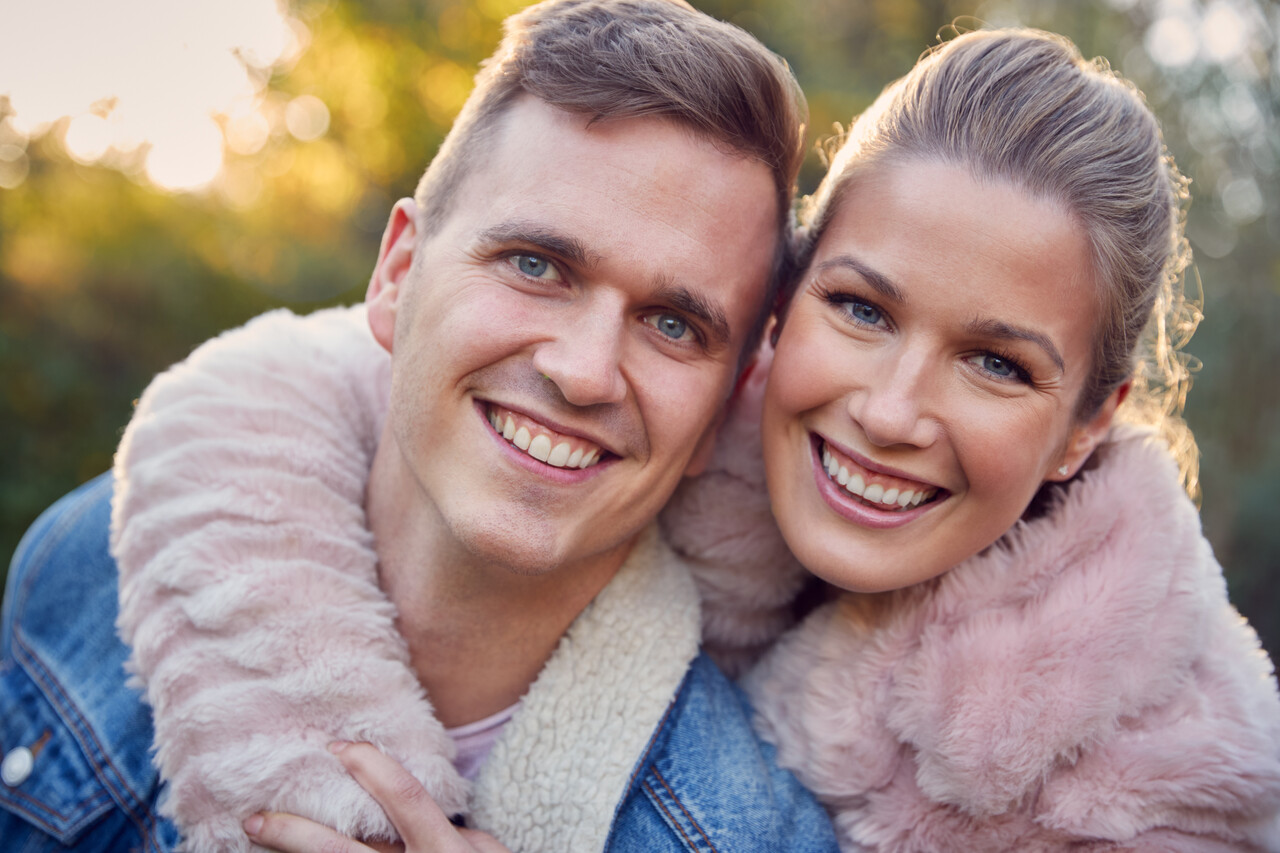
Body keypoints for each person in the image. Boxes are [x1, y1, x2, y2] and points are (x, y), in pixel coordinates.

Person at [0, 1, 840, 851]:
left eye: (672, 325)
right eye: (536, 264)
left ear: (722, 410)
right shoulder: (88, 560)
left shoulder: (759, 835)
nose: (584, 371)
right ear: (398, 273)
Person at [666, 26, 1280, 852]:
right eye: (861, 309)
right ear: (786, 296)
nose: (891, 414)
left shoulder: (1170, 794)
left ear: (1087, 426)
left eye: (996, 364)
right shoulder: (630, 474)